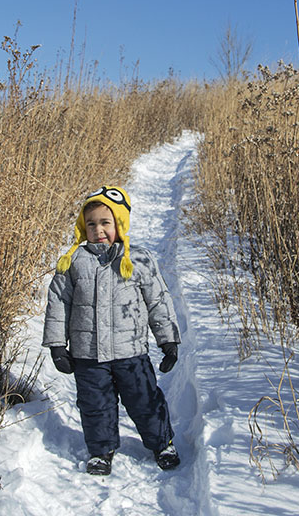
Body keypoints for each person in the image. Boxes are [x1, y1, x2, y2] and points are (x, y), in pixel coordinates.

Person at [43, 185, 182, 476]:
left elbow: (157, 300)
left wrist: (167, 340)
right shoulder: (73, 263)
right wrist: (57, 345)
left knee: (145, 399)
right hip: (88, 355)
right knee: (95, 406)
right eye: (91, 224)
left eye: (106, 223)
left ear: (119, 223)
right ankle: (101, 451)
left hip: (131, 352)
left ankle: (162, 443)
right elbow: (58, 302)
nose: (98, 230)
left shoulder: (138, 259)